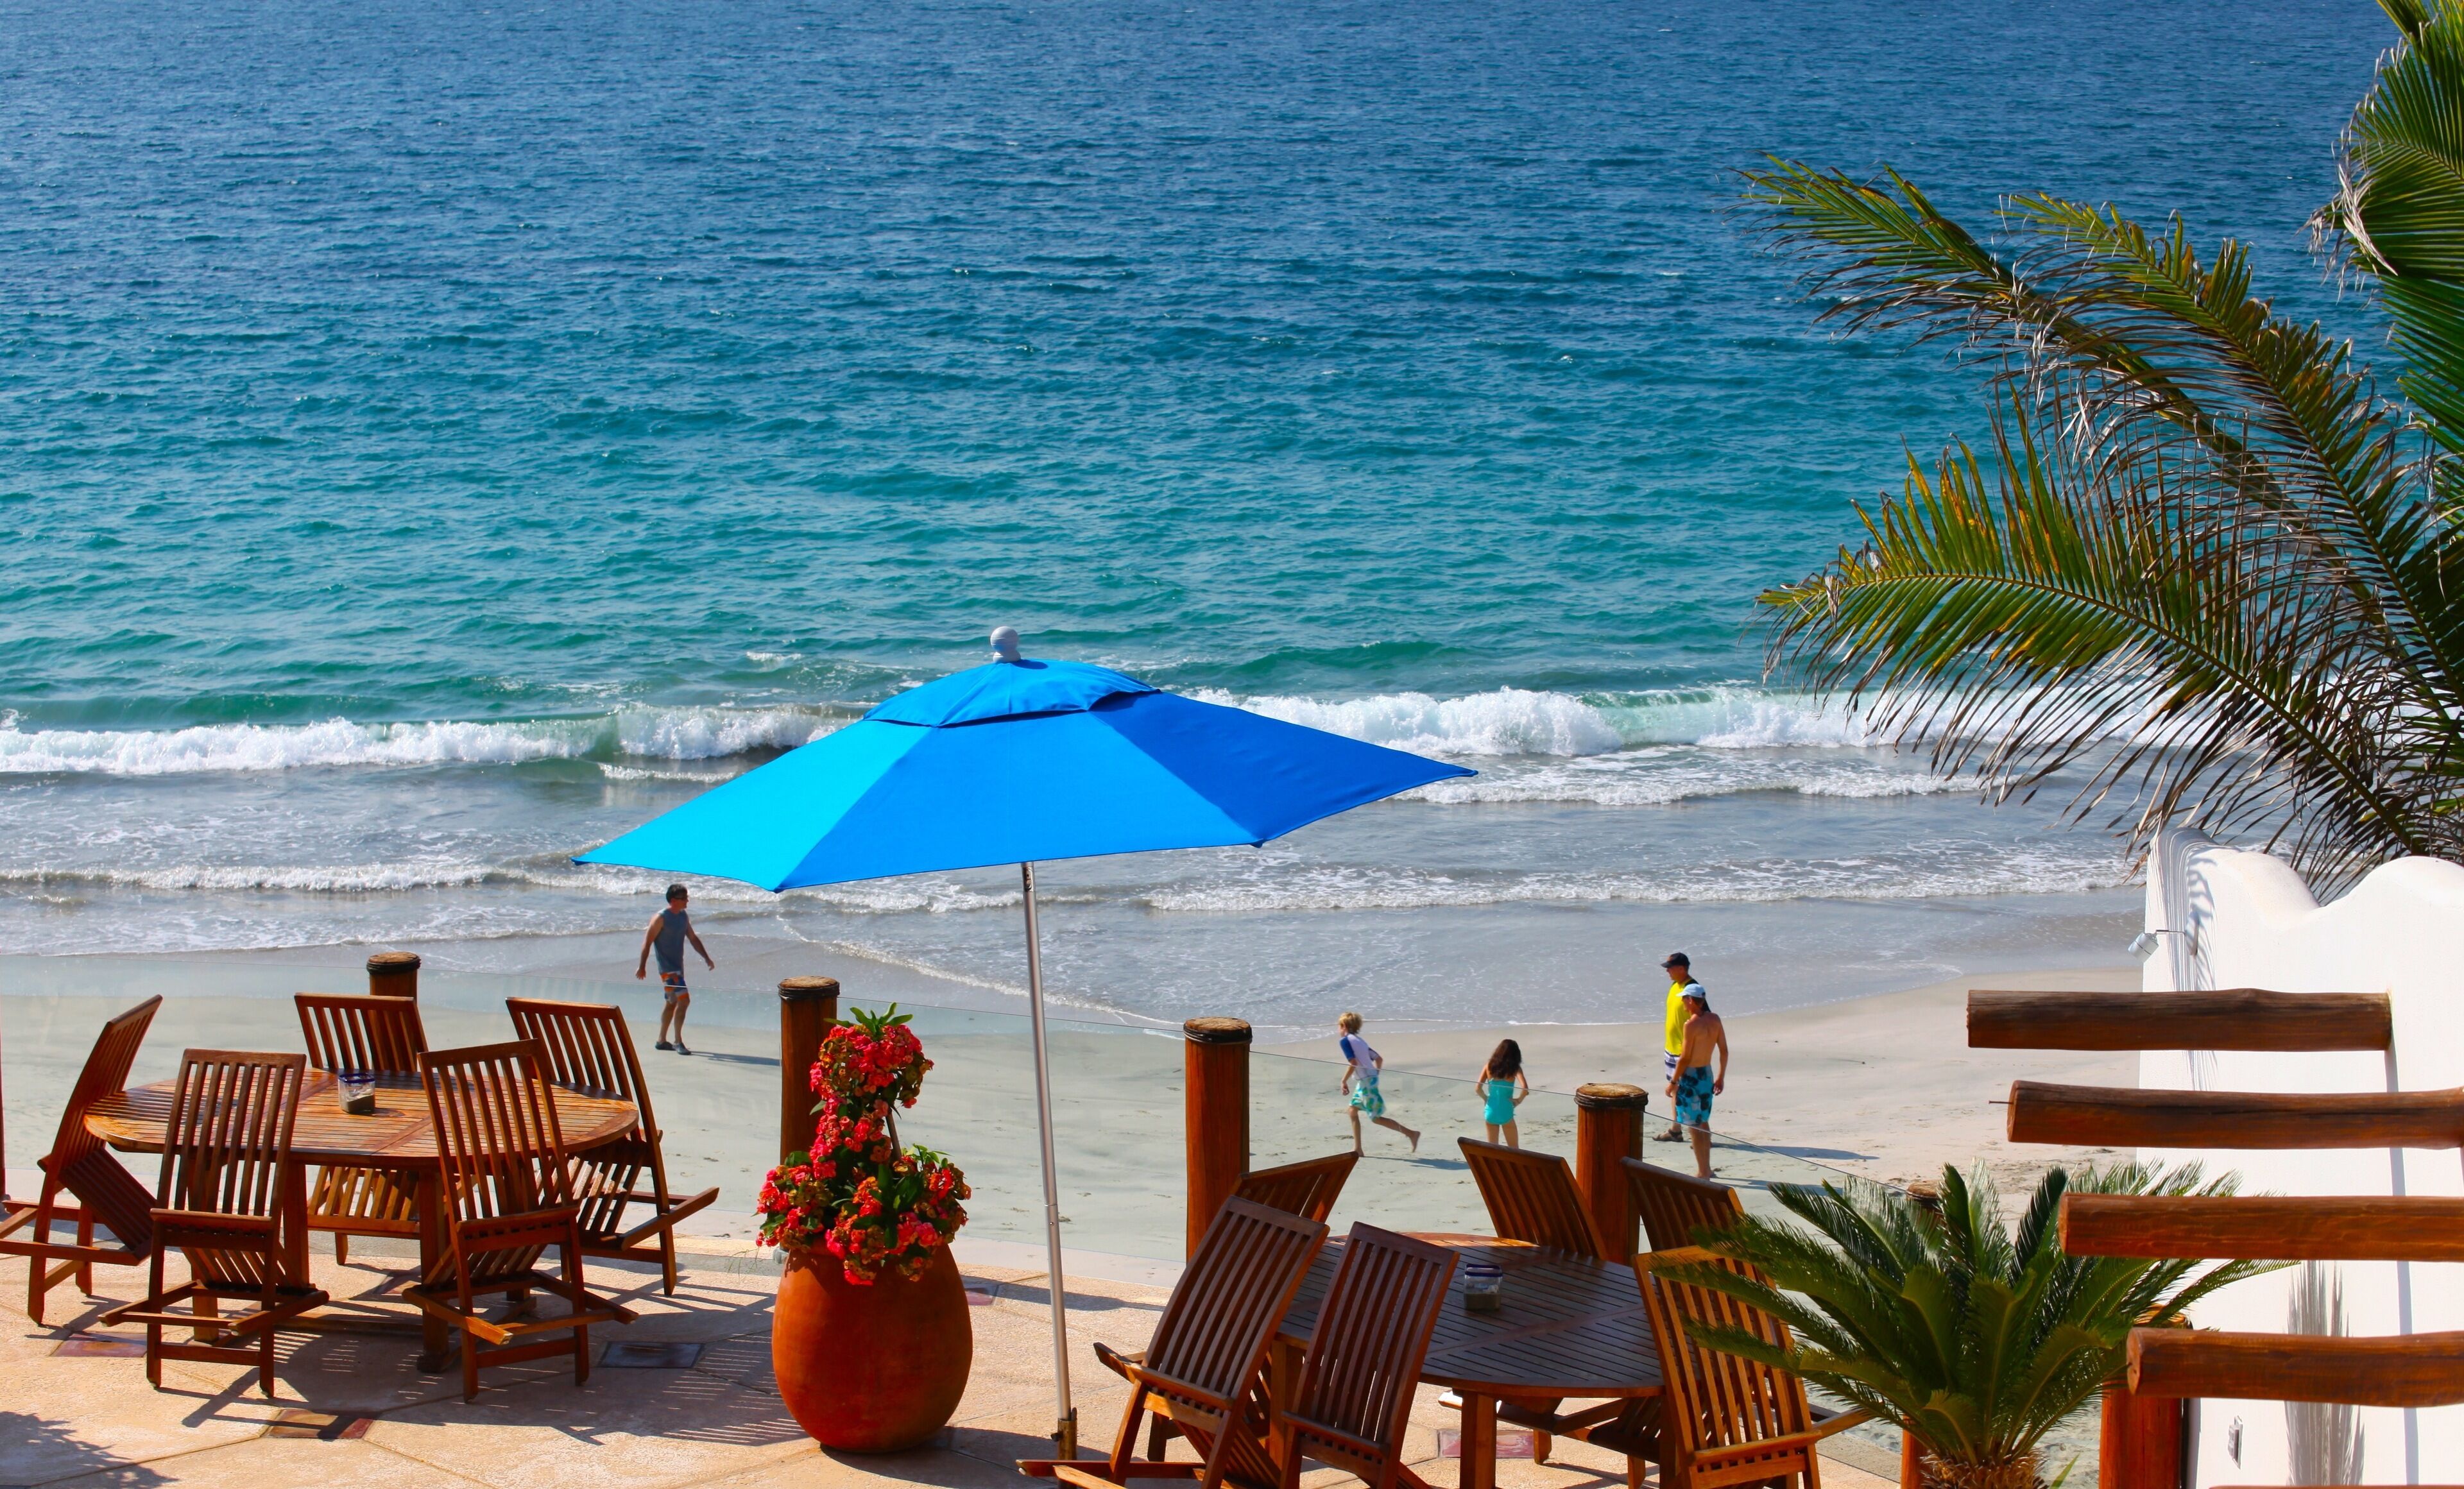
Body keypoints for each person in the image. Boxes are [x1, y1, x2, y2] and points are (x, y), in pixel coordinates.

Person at [636, 883, 714, 1054]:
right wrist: (642, 966)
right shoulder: (660, 918)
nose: (687, 900)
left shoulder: (683, 916)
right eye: (684, 898)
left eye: (687, 897)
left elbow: (693, 938)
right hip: (668, 969)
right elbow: (647, 942)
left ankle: (661, 1040)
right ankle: (678, 1041)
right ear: (673, 901)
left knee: (671, 1003)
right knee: (684, 1001)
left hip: (678, 968)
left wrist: (706, 957)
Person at [1665, 987, 1729, 1179]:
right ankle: (1706, 1168)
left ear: (1691, 1001)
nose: (1683, 1003)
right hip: (1706, 1074)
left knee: (1694, 1125)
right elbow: (1724, 1051)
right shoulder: (1715, 1019)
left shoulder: (1691, 1025)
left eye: (1684, 1000)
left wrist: (1674, 1081)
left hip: (1692, 1076)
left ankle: (1703, 1172)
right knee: (1703, 1121)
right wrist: (1720, 1077)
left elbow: (1685, 1058)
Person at [1335, 1012, 1420, 1155]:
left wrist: (1343, 1081)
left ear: (1344, 1026)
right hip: (1367, 1081)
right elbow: (1379, 1059)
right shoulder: (1360, 1041)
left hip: (1366, 1082)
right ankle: (1358, 1149)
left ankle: (1411, 1134)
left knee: (1376, 1118)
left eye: (1339, 1026)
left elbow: (1353, 1063)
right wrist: (1375, 1075)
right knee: (1352, 1110)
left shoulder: (1345, 1041)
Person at [1653, 953, 1706, 1142]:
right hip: (1672, 1049)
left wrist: (1697, 1052)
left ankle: (1701, 1136)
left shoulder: (1693, 990)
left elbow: (1704, 1020)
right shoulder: (1675, 986)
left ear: (1682, 968)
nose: (1667, 970)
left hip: (1687, 1053)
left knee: (1692, 1095)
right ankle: (1676, 1130)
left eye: (1670, 967)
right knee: (1676, 1091)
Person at [1474, 1039, 1530, 1147]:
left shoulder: (1489, 1066)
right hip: (1506, 1109)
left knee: (1493, 1149)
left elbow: (1478, 1088)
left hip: (1491, 1109)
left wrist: (1486, 1098)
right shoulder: (1515, 1069)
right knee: (1514, 1149)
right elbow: (1525, 1089)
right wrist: (1518, 1101)